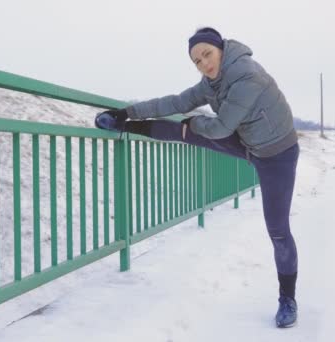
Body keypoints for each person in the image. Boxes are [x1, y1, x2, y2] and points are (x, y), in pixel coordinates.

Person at [95, 27, 299, 328]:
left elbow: (219, 128)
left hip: (277, 156)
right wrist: (127, 111)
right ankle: (124, 126)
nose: (204, 63)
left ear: (221, 49)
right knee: (185, 132)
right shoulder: (211, 83)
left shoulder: (246, 75)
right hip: (248, 142)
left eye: (207, 54)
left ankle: (288, 299)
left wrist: (192, 123)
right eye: (196, 60)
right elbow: (176, 102)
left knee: (278, 231)